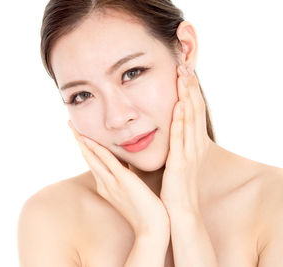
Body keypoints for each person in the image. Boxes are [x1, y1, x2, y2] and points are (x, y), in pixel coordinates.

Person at [17, 0, 283, 266]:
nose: (118, 118)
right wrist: (150, 232)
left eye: (132, 73)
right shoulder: (51, 217)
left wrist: (184, 213)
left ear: (185, 50)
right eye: (82, 95)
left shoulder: (274, 200)